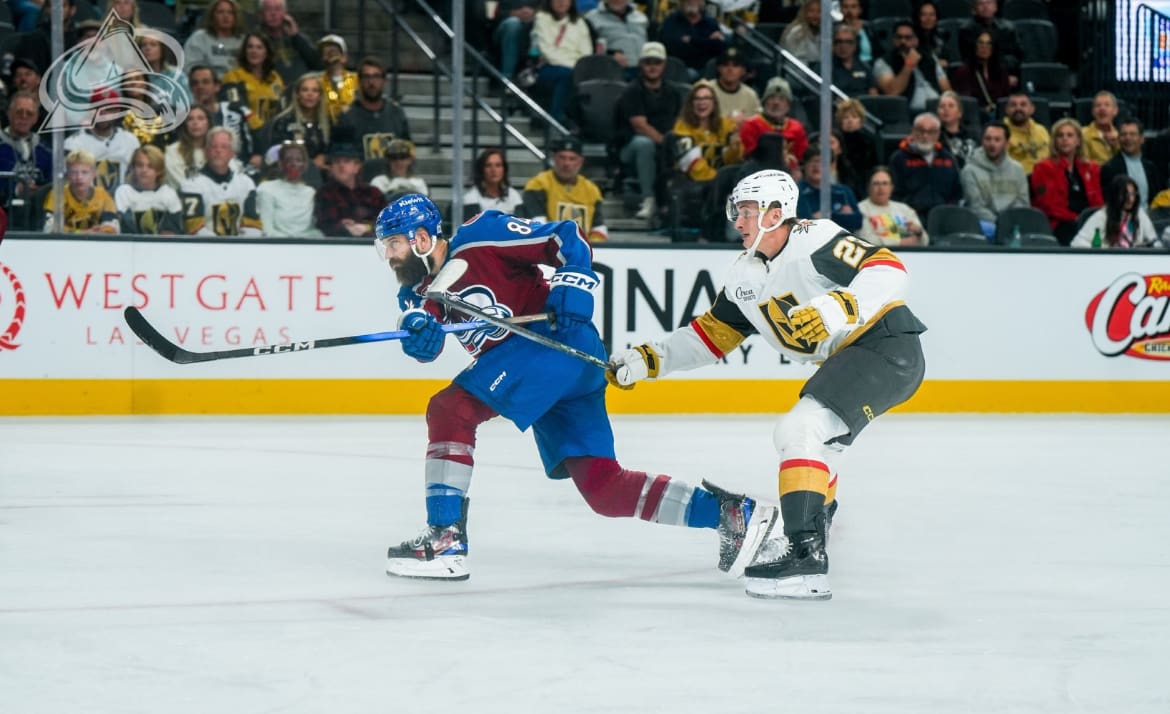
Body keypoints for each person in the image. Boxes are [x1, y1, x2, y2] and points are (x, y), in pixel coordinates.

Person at [376, 193, 778, 581]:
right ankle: (733, 513)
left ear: (422, 238)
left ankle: (445, 540)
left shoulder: (483, 234)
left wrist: (574, 283)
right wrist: (417, 338)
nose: (390, 256)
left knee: (451, 409)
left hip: (556, 344)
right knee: (605, 489)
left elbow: (565, 236)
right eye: (385, 247)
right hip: (548, 369)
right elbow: (419, 334)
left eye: (394, 244)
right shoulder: (414, 290)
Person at [608, 169, 927, 600]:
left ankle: (806, 558)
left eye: (746, 211)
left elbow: (889, 268)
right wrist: (650, 360)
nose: (738, 222)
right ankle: (813, 535)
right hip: (854, 358)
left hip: (886, 347)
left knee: (799, 431)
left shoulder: (815, 240)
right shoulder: (745, 276)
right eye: (737, 212)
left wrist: (839, 306)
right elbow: (709, 336)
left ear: (776, 213)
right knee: (818, 444)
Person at [616, 41, 682, 223]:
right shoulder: (632, 91)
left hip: (664, 142)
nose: (653, 67)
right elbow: (640, 125)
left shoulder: (673, 92)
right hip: (629, 147)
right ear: (641, 65)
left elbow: (679, 121)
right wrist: (666, 142)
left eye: (657, 62)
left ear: (664, 65)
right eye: (648, 62)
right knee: (644, 144)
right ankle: (648, 198)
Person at [1030, 118, 1103, 245]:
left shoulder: (1091, 169)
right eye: (1060, 135)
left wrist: (1094, 219)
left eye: (1070, 135)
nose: (1065, 139)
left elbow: (1098, 201)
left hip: (1089, 222)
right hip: (1060, 224)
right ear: (1055, 141)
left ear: (1078, 141)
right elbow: (1049, 206)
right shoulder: (1044, 168)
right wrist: (1078, 219)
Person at [179, 127, 263, 236]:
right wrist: (219, 247)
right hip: (203, 248)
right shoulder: (191, 184)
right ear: (206, 151)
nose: (218, 151)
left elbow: (253, 225)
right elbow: (194, 228)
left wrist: (241, 247)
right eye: (214, 146)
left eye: (224, 147)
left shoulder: (246, 183)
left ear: (232, 153)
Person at [522, 135, 607, 242]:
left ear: (580, 161)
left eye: (572, 159)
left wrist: (590, 249)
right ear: (554, 158)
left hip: (582, 252)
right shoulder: (538, 184)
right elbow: (538, 226)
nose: (566, 163)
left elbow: (598, 228)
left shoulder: (591, 190)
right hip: (548, 249)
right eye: (562, 157)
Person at [63, 88, 142, 194]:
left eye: (109, 109)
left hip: (123, 203)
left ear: (117, 112)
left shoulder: (131, 141)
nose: (103, 114)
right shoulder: (73, 143)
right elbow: (67, 181)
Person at [887, 112, 963, 222]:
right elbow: (894, 194)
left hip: (943, 217)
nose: (925, 136)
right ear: (912, 131)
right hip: (909, 217)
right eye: (920, 130)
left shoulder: (948, 158)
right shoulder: (898, 158)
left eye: (931, 132)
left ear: (937, 134)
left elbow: (956, 192)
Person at [334, 57, 412, 162]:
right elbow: (339, 157)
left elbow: (407, 152)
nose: (371, 82)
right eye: (367, 77)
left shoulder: (396, 113)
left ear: (384, 81)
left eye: (376, 76)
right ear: (359, 81)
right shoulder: (347, 117)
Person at [960, 120, 1029, 238]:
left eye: (997, 140)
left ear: (1006, 144)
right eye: (988, 139)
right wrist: (1000, 224)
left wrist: (1009, 222)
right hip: (983, 224)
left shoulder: (1018, 169)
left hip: (1013, 223)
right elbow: (976, 207)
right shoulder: (969, 170)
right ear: (982, 141)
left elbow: (1022, 202)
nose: (992, 144)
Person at [313, 129, 385, 237]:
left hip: (372, 246)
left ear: (357, 167)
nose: (341, 166)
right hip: (338, 246)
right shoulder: (324, 193)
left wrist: (368, 227)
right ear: (330, 168)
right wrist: (343, 226)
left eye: (346, 161)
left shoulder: (373, 192)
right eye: (337, 162)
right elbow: (324, 225)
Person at [531, 0, 593, 124]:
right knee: (567, 75)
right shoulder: (542, 18)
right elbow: (547, 52)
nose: (561, 2)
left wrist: (577, 67)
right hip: (549, 67)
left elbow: (586, 52)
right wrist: (574, 67)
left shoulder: (579, 22)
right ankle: (556, 119)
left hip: (576, 68)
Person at [188, 65, 260, 170]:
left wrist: (258, 154)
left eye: (205, 82)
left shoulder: (237, 110)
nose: (200, 87)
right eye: (195, 83)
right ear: (190, 88)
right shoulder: (185, 118)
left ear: (217, 86)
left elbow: (259, 133)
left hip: (242, 170)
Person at [669, 82, 742, 183]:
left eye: (706, 98)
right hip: (692, 183)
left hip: (720, 183)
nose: (701, 102)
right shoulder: (682, 127)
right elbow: (693, 164)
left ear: (714, 103)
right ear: (691, 103)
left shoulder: (725, 125)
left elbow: (731, 161)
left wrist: (735, 147)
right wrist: (719, 179)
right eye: (697, 99)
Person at [874, 19, 952, 113]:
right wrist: (909, 64)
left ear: (916, 40)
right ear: (894, 40)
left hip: (938, 109)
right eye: (899, 37)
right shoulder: (883, 62)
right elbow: (892, 92)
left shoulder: (929, 58)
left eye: (908, 38)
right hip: (909, 112)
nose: (903, 41)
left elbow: (946, 89)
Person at [262, 73, 332, 168]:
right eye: (305, 90)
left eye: (315, 91)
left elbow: (333, 148)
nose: (310, 94)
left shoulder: (328, 122)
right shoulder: (283, 121)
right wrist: (311, 164)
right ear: (297, 94)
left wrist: (325, 157)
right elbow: (276, 154)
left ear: (320, 96)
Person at [1071, 175, 1160, 249]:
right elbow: (1077, 243)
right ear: (1115, 195)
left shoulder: (1140, 214)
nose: (1130, 199)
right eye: (1124, 194)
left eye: (1132, 194)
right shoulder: (1101, 216)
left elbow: (1155, 242)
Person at [220, 33, 286, 131]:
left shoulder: (275, 77)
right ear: (244, 51)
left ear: (266, 53)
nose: (254, 51)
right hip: (245, 131)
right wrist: (259, 127)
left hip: (273, 131)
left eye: (259, 47)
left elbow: (283, 104)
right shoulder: (233, 76)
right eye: (250, 47)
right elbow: (235, 105)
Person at [44, 149, 120, 233]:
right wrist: (81, 233)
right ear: (67, 174)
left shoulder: (103, 195)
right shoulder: (58, 194)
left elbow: (113, 227)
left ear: (94, 174)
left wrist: (98, 232)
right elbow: (49, 228)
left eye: (84, 172)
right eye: (73, 172)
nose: (79, 177)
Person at [256, 141, 321, 237]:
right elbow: (266, 230)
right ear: (280, 164)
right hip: (277, 247)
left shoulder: (311, 193)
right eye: (288, 160)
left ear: (305, 164)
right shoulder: (266, 189)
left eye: (298, 160)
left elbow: (314, 230)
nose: (293, 164)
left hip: (307, 247)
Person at [114, 145, 183, 234]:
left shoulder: (168, 193)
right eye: (139, 165)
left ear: (159, 170)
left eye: (150, 166)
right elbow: (123, 227)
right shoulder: (124, 192)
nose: (144, 170)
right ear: (133, 168)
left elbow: (174, 229)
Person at [0, 91, 52, 210]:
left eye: (29, 113)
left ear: (35, 118)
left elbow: (53, 185)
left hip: (37, 215)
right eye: (19, 112)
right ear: (9, 114)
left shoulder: (45, 150)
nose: (24, 117)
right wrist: (16, 189)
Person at [739, 76, 807, 165]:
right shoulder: (752, 125)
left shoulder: (797, 128)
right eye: (771, 98)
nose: (776, 103)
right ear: (764, 102)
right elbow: (749, 156)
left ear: (788, 105)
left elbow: (802, 157)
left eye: (781, 99)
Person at [796, 144, 862, 232]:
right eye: (813, 161)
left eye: (823, 162)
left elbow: (857, 221)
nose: (817, 166)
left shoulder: (843, 191)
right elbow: (803, 223)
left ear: (831, 167)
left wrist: (825, 215)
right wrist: (841, 215)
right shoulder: (796, 191)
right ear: (804, 165)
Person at [257, 0, 324, 85]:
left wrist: (296, 36)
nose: (273, 14)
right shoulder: (256, 41)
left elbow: (318, 64)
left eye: (278, 9)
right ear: (261, 14)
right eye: (268, 9)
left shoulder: (298, 39)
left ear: (285, 13)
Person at [1101, 118, 1164, 208]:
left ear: (1142, 139)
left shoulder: (1151, 167)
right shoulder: (1110, 168)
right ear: (1119, 138)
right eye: (1123, 134)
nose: (1128, 138)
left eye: (1132, 134)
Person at [858, 165, 928, 246]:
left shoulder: (904, 209)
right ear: (869, 187)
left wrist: (919, 233)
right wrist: (901, 243)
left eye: (885, 183)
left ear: (891, 187)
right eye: (876, 184)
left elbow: (925, 241)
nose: (881, 188)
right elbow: (864, 239)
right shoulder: (860, 209)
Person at [950, 31, 1011, 120]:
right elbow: (965, 102)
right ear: (974, 46)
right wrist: (982, 110)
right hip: (976, 116)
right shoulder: (964, 71)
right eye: (980, 43)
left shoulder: (1001, 70)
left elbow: (1006, 97)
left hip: (1000, 114)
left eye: (988, 44)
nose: (984, 47)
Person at [658, 0, 725, 77]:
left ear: (701, 2)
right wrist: (708, 42)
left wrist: (691, 40)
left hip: (706, 71)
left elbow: (720, 47)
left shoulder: (710, 23)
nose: (690, 2)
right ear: (681, 3)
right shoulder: (671, 21)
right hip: (677, 70)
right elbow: (671, 46)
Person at [585, 0, 649, 81]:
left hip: (644, 71)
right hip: (611, 73)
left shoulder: (641, 17)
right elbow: (588, 50)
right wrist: (610, 55)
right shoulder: (591, 18)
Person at [182, 0, 245, 76]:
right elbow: (190, 68)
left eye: (230, 12)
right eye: (220, 12)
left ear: (236, 17)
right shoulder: (199, 38)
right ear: (212, 16)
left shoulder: (243, 40)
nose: (226, 16)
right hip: (208, 84)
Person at [462, 147, 524, 221]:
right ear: (481, 169)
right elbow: (473, 229)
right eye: (488, 165)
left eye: (498, 165)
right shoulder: (471, 198)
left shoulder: (513, 195)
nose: (493, 170)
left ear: (504, 169)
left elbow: (522, 225)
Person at [817, 24, 877, 99]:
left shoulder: (864, 67)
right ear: (833, 45)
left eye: (848, 42)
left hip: (861, 108)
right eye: (839, 41)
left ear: (855, 45)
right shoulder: (824, 69)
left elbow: (873, 96)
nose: (843, 46)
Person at [835, 99, 879, 196]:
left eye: (854, 117)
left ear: (861, 121)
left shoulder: (869, 142)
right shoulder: (835, 141)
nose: (850, 120)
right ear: (840, 121)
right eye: (846, 117)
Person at [709, 47, 761, 126]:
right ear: (719, 68)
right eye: (726, 65)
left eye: (735, 65)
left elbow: (758, 124)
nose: (730, 69)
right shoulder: (707, 90)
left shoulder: (750, 95)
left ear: (743, 71)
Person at [1003, 91, 1049, 176]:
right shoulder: (1000, 132)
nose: (1018, 108)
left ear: (1032, 109)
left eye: (1023, 105)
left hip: (1045, 178)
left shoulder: (1041, 130)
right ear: (1007, 110)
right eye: (1013, 105)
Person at [318, 34, 359, 124]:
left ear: (344, 57)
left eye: (334, 51)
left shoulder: (357, 80)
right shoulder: (317, 83)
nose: (330, 54)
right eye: (326, 51)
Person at [937, 90, 978, 166]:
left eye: (951, 106)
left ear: (959, 113)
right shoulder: (935, 137)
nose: (946, 109)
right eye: (942, 106)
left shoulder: (973, 136)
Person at [1081, 91, 1121, 165]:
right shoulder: (1082, 134)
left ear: (1115, 110)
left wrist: (1117, 146)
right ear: (1093, 111)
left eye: (1107, 105)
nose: (1102, 108)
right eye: (1098, 105)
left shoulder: (1122, 136)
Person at [778, 0, 821, 65]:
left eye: (819, 11)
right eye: (811, 11)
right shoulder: (797, 33)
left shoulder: (824, 33)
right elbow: (798, 60)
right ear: (804, 13)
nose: (815, 15)